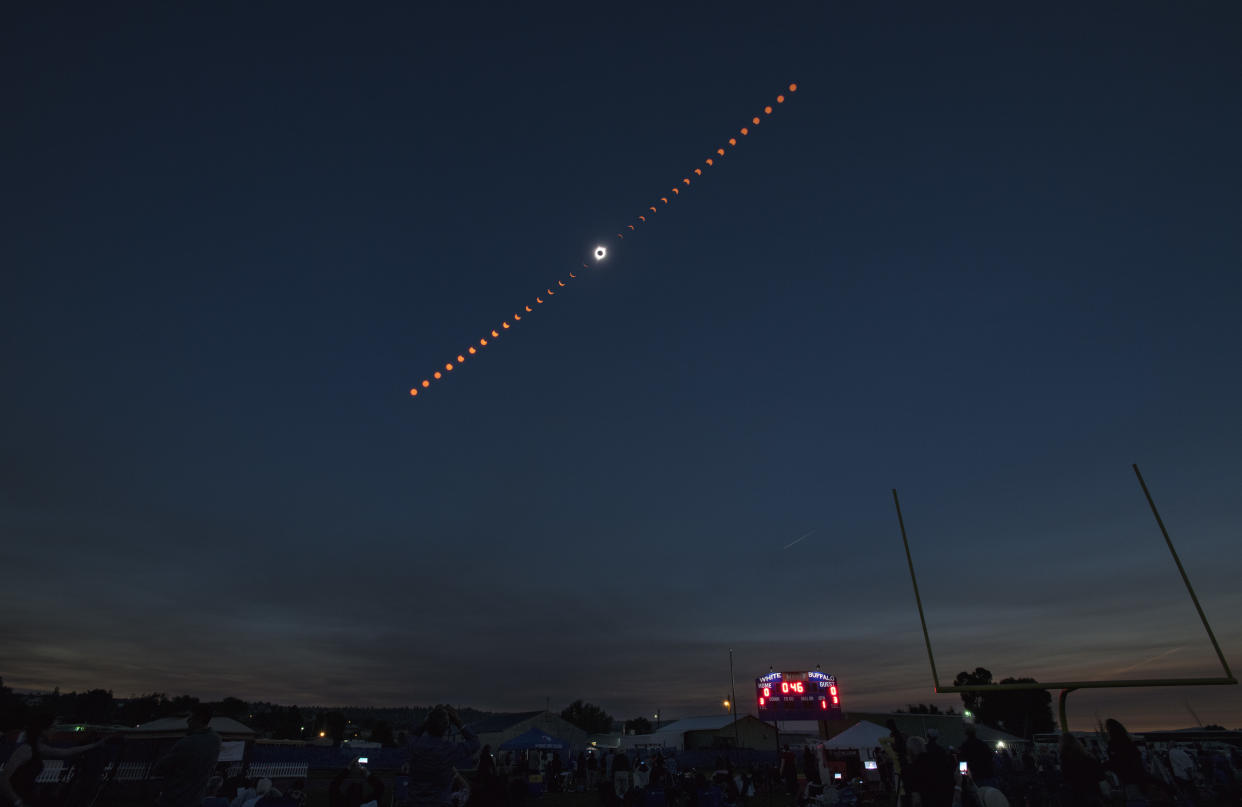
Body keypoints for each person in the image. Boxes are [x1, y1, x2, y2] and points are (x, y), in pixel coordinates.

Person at [0, 712, 113, 807]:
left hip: (27, 798)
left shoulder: (40, 748)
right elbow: (3, 779)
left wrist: (95, 745)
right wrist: (17, 801)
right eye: (53, 727)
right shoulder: (25, 749)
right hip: (13, 800)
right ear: (43, 729)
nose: (55, 730)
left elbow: (65, 752)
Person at [408, 706, 480, 807]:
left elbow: (413, 734)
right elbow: (475, 742)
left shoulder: (415, 745)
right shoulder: (450, 749)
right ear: (446, 727)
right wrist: (458, 721)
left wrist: (426, 722)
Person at [152, 704, 224, 807]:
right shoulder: (216, 740)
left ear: (198, 719)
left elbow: (159, 768)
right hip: (196, 800)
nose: (188, 721)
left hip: (174, 800)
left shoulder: (186, 743)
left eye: (190, 718)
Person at [1103, 719, 1147, 805]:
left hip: (1129, 779)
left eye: (1107, 729)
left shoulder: (1116, 744)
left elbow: (1117, 762)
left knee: (1133, 800)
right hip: (1134, 779)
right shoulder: (1128, 743)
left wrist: (1104, 766)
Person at [1058, 733, 1106, 807]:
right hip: (1092, 792)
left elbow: (1066, 778)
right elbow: (1100, 775)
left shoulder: (1066, 760)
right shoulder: (1088, 757)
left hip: (1077, 794)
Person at [958, 724, 996, 790]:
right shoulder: (983, 744)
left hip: (975, 777)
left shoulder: (964, 746)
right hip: (987, 775)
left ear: (966, 733)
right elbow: (991, 757)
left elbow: (962, 762)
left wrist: (964, 776)